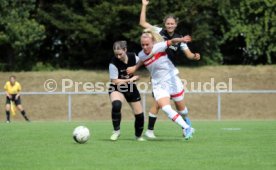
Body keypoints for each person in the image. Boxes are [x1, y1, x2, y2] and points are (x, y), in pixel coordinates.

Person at [139, 0, 200, 138]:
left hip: (172, 76)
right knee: (160, 103)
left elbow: (188, 54)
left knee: (181, 109)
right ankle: (150, 131)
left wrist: (194, 56)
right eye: (168, 23)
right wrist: (144, 5)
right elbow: (143, 23)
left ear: (176, 25)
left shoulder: (180, 38)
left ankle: (186, 122)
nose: (170, 25)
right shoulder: (159, 32)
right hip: (159, 75)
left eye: (172, 23)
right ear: (164, 24)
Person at [127, 29, 193, 140]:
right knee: (166, 108)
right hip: (158, 84)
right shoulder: (141, 54)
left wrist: (182, 39)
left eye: (147, 44)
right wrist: (135, 67)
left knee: (182, 111)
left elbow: (172, 41)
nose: (145, 47)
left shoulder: (159, 47)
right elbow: (142, 60)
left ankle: (186, 119)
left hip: (172, 80)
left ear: (153, 42)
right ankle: (187, 127)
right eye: (142, 45)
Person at [108, 41, 145, 141]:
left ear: (125, 50)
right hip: (117, 87)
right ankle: (116, 131)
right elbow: (114, 81)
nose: (118, 57)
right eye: (116, 54)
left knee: (139, 115)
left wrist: (135, 68)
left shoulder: (133, 57)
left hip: (130, 87)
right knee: (116, 105)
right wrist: (130, 79)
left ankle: (138, 136)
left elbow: (144, 61)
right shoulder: (113, 63)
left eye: (120, 54)